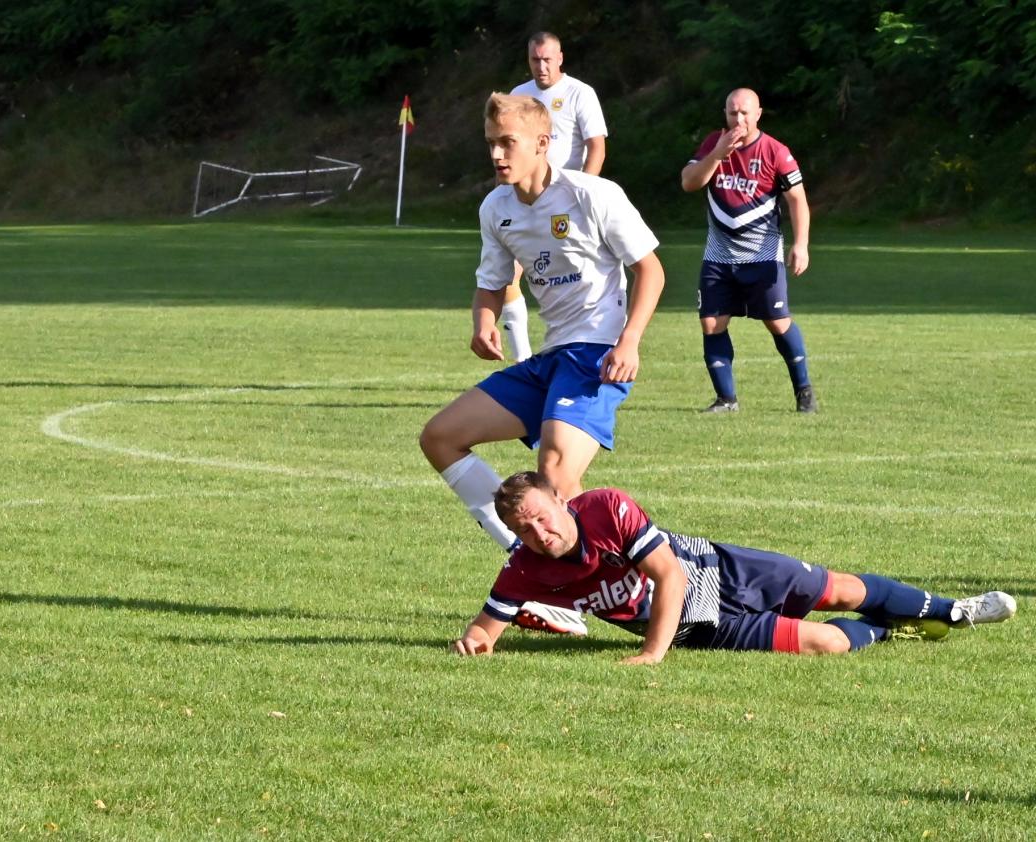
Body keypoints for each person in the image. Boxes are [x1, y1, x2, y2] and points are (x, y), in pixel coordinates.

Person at [420, 93, 664, 636]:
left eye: (508, 143)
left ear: (542, 143)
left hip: (596, 353)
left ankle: (573, 594)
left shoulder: (592, 194)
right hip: (551, 357)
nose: (497, 155)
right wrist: (483, 321)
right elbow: (492, 282)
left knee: (555, 472)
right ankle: (528, 560)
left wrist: (630, 342)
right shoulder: (496, 207)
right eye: (491, 143)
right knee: (440, 437)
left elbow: (650, 269)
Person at [451, 471, 1018, 662]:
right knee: (827, 643)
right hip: (701, 627)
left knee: (840, 590)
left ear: (560, 500)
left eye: (543, 517)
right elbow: (486, 627)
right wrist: (475, 643)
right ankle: (892, 631)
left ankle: (955, 610)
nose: (540, 533)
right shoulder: (525, 568)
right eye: (525, 528)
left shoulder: (605, 507)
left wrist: (651, 653)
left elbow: (670, 576)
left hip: (719, 571)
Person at [681, 87, 816, 414]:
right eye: (732, 113)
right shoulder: (714, 143)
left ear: (758, 114)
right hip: (719, 256)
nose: (738, 119)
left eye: (744, 113)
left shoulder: (775, 151)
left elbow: (797, 200)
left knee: (777, 322)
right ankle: (726, 399)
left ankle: (804, 392)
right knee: (711, 323)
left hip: (762, 255)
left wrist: (801, 244)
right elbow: (689, 182)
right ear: (725, 114)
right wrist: (717, 155)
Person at [500, 31, 610, 363]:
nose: (542, 66)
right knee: (507, 274)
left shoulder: (579, 93)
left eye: (547, 59)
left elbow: (596, 146)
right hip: (525, 202)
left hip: (566, 202)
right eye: (535, 60)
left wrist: (584, 191)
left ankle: (586, 350)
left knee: (575, 276)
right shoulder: (518, 96)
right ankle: (523, 361)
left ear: (560, 58)